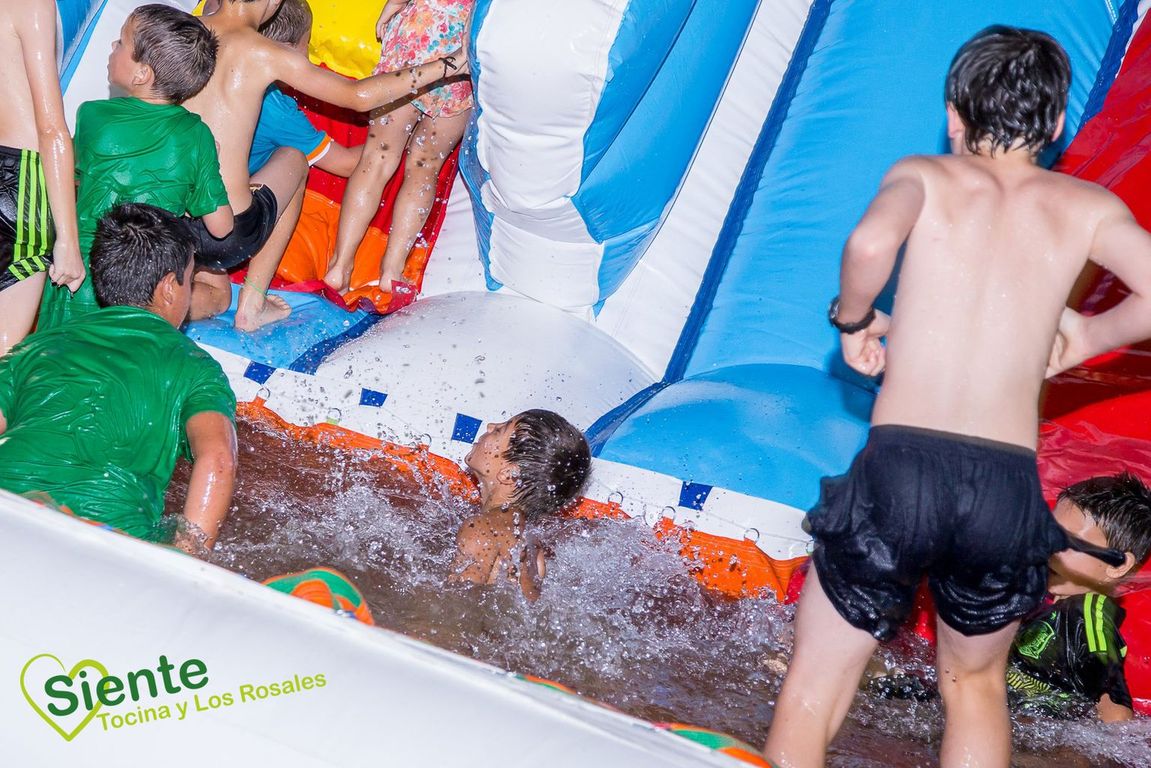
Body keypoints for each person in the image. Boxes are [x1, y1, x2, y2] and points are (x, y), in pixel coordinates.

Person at [764, 27, 1151, 768]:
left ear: (953, 114)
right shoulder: (1087, 206)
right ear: (1055, 124)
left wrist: (854, 320)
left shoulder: (927, 175)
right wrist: (1088, 337)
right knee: (973, 686)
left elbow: (869, 246)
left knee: (815, 680)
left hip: (904, 463)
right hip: (1004, 483)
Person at [187, 0, 466, 331]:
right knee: (296, 158)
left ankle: (154, 304)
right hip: (229, 231)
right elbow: (357, 98)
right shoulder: (268, 58)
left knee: (213, 289)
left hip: (173, 216)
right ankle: (254, 302)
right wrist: (449, 64)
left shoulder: (181, 32)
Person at [0, 203, 236, 556]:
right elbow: (218, 458)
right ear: (169, 287)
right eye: (190, 279)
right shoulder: (196, 367)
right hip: (108, 536)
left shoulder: (37, 347)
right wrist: (187, 558)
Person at [38, 4, 233, 331]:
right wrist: (211, 163)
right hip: (149, 285)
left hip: (80, 274)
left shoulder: (93, 116)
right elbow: (221, 226)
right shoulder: (197, 134)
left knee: (59, 350)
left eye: (121, 43)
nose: (112, 46)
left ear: (142, 74)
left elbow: (67, 179)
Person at [322, 0, 474, 306]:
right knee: (425, 167)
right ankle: (392, 271)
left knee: (377, 157)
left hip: (418, 33)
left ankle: (340, 266)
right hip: (463, 49)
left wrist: (392, 6)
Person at [1007, 473, 1151, 722]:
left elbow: (1115, 708)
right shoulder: (1045, 590)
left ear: (1117, 565)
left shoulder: (1090, 617)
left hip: (1033, 724)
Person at [0, 0, 84, 352]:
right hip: (20, 181)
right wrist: (69, 242)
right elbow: (51, 129)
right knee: (4, 354)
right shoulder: (29, 4)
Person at [450, 410, 591, 601]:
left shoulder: (481, 529)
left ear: (509, 474)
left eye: (499, 431)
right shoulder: (534, 548)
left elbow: (456, 605)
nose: (490, 426)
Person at [249, 0, 362, 178]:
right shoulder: (278, 112)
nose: (309, 57)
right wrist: (391, 137)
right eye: (307, 44)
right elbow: (346, 164)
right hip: (227, 190)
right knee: (293, 160)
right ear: (287, 52)